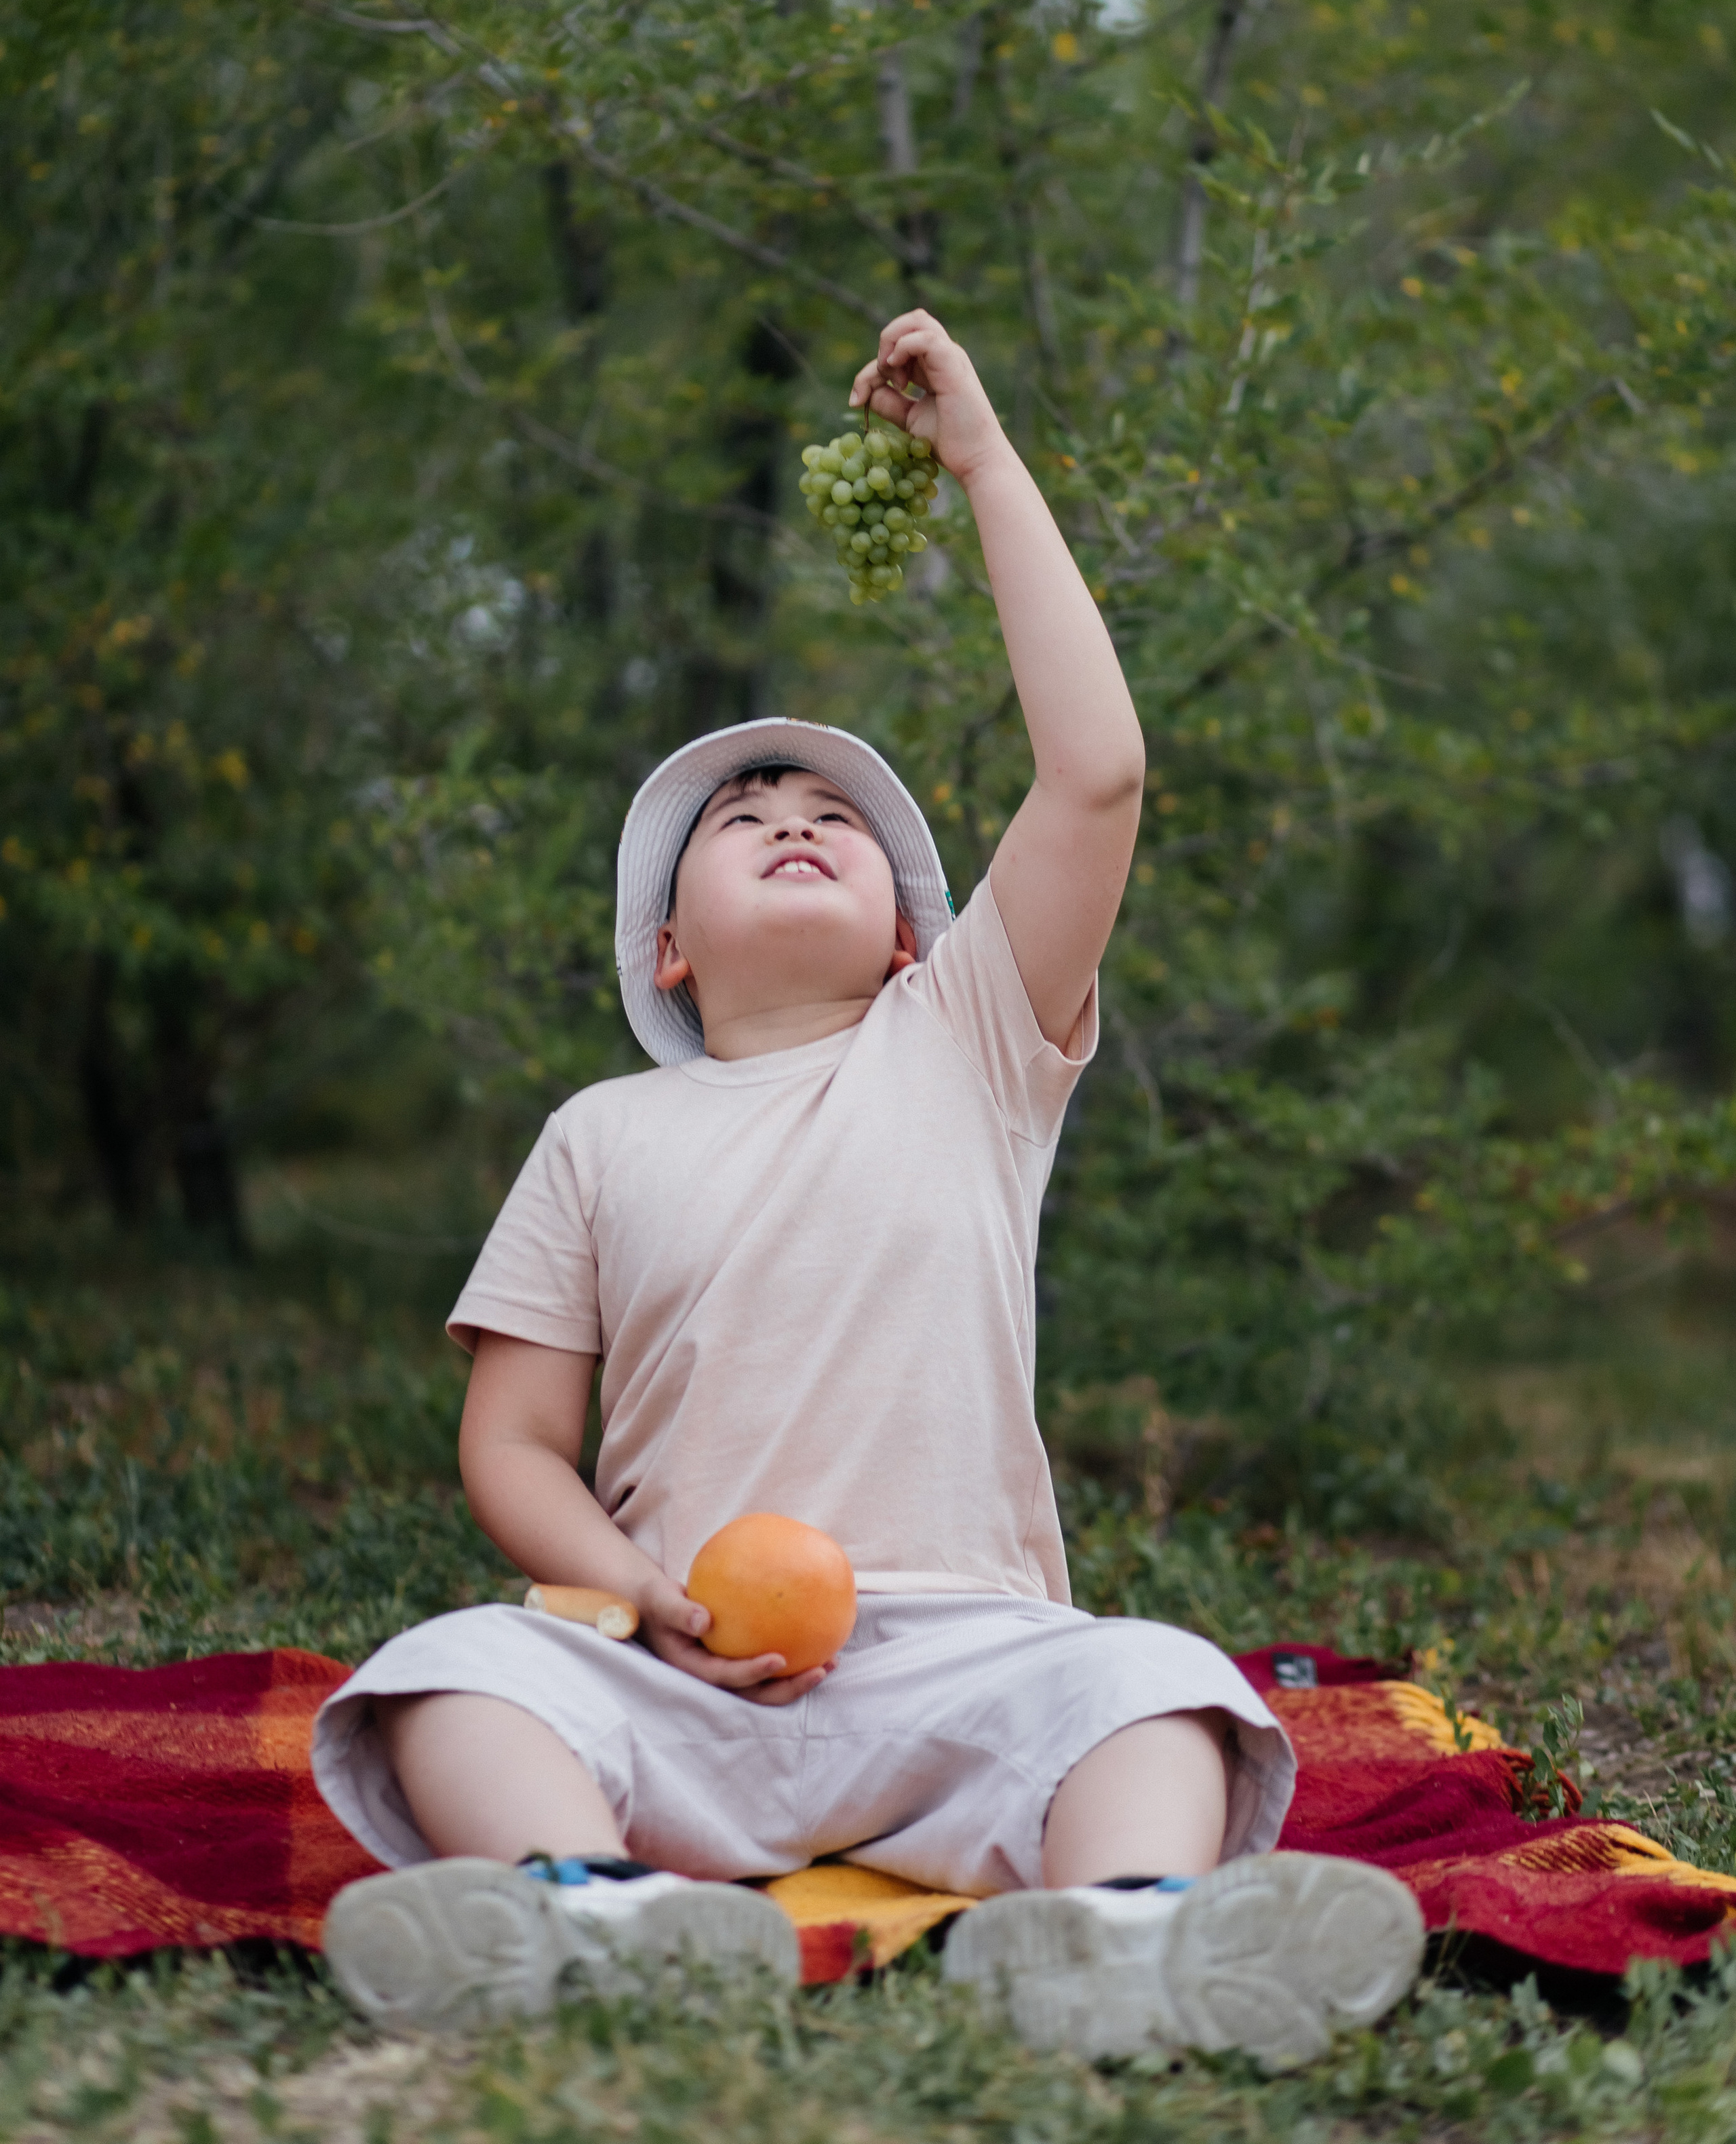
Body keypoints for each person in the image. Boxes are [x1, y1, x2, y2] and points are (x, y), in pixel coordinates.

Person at [315, 310, 1423, 2062]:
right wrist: (640, 1598)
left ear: (915, 936)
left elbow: (1099, 774)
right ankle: (603, 1914)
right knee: (449, 1676)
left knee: (1162, 1691)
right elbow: (513, 1444)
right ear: (670, 948)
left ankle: (1129, 1941)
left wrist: (981, 462)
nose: (793, 813)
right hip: (677, 1672)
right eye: (743, 812)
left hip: (962, 1665)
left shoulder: (968, 1039)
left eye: (831, 811)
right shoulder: (603, 1133)